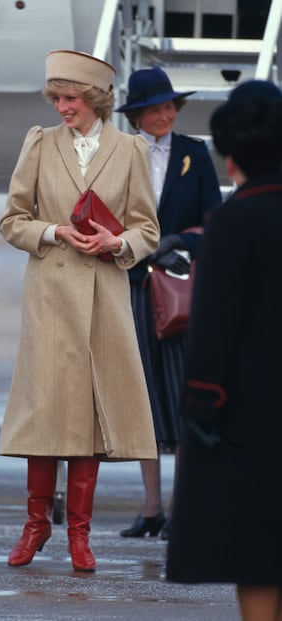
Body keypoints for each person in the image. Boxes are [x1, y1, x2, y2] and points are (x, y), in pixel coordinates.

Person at [0, 49, 160, 572]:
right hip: (50, 296)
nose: (62, 107)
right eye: (57, 98)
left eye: (70, 99)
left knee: (90, 420)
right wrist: (52, 231)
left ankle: (80, 536)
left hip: (104, 302)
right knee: (46, 413)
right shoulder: (40, 144)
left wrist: (117, 242)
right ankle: (36, 524)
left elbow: (147, 230)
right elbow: (13, 219)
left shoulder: (130, 149)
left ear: (95, 100)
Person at [166, 79, 282, 621]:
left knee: (258, 559)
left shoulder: (235, 221)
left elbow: (213, 327)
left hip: (251, 418)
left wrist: (199, 405)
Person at [114, 66, 221, 540]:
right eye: (154, 109)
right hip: (133, 285)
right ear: (136, 115)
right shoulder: (118, 155)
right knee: (143, 398)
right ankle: (152, 506)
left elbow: (213, 220)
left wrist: (178, 240)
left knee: (180, 396)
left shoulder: (194, 155)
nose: (164, 115)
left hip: (177, 288)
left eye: (168, 107)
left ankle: (185, 506)